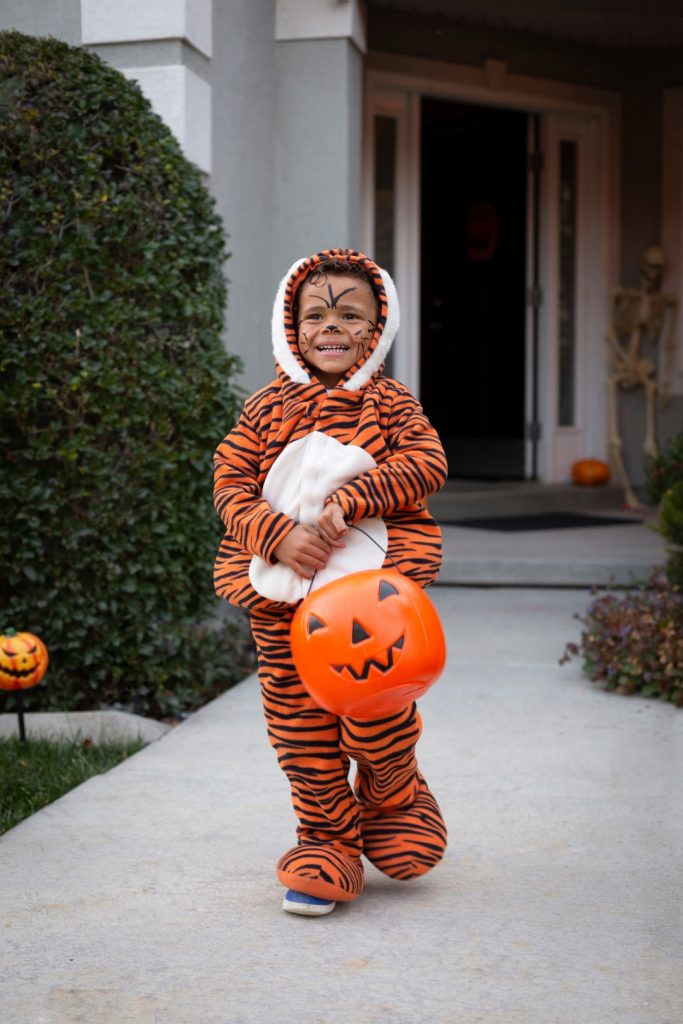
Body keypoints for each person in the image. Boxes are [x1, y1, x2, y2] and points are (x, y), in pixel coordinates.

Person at [213, 248, 448, 916]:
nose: (330, 326)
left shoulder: (391, 404)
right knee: (301, 733)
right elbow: (229, 484)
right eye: (314, 314)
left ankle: (393, 792)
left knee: (376, 712)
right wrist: (276, 534)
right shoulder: (263, 409)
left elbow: (426, 461)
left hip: (369, 599)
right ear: (292, 329)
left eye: (350, 313)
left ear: (376, 330)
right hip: (282, 602)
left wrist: (359, 496)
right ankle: (326, 842)